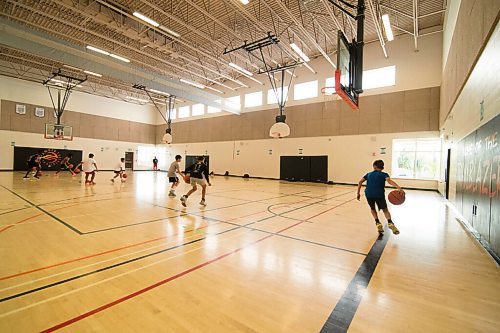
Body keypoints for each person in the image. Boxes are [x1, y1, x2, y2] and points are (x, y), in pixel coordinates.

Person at [356, 160, 404, 235]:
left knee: (372, 208)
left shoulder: (368, 174)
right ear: (383, 167)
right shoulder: (384, 174)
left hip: (368, 194)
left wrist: (358, 193)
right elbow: (390, 181)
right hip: (379, 194)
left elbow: (360, 182)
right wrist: (399, 188)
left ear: (374, 167)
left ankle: (377, 222)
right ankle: (390, 222)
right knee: (385, 209)